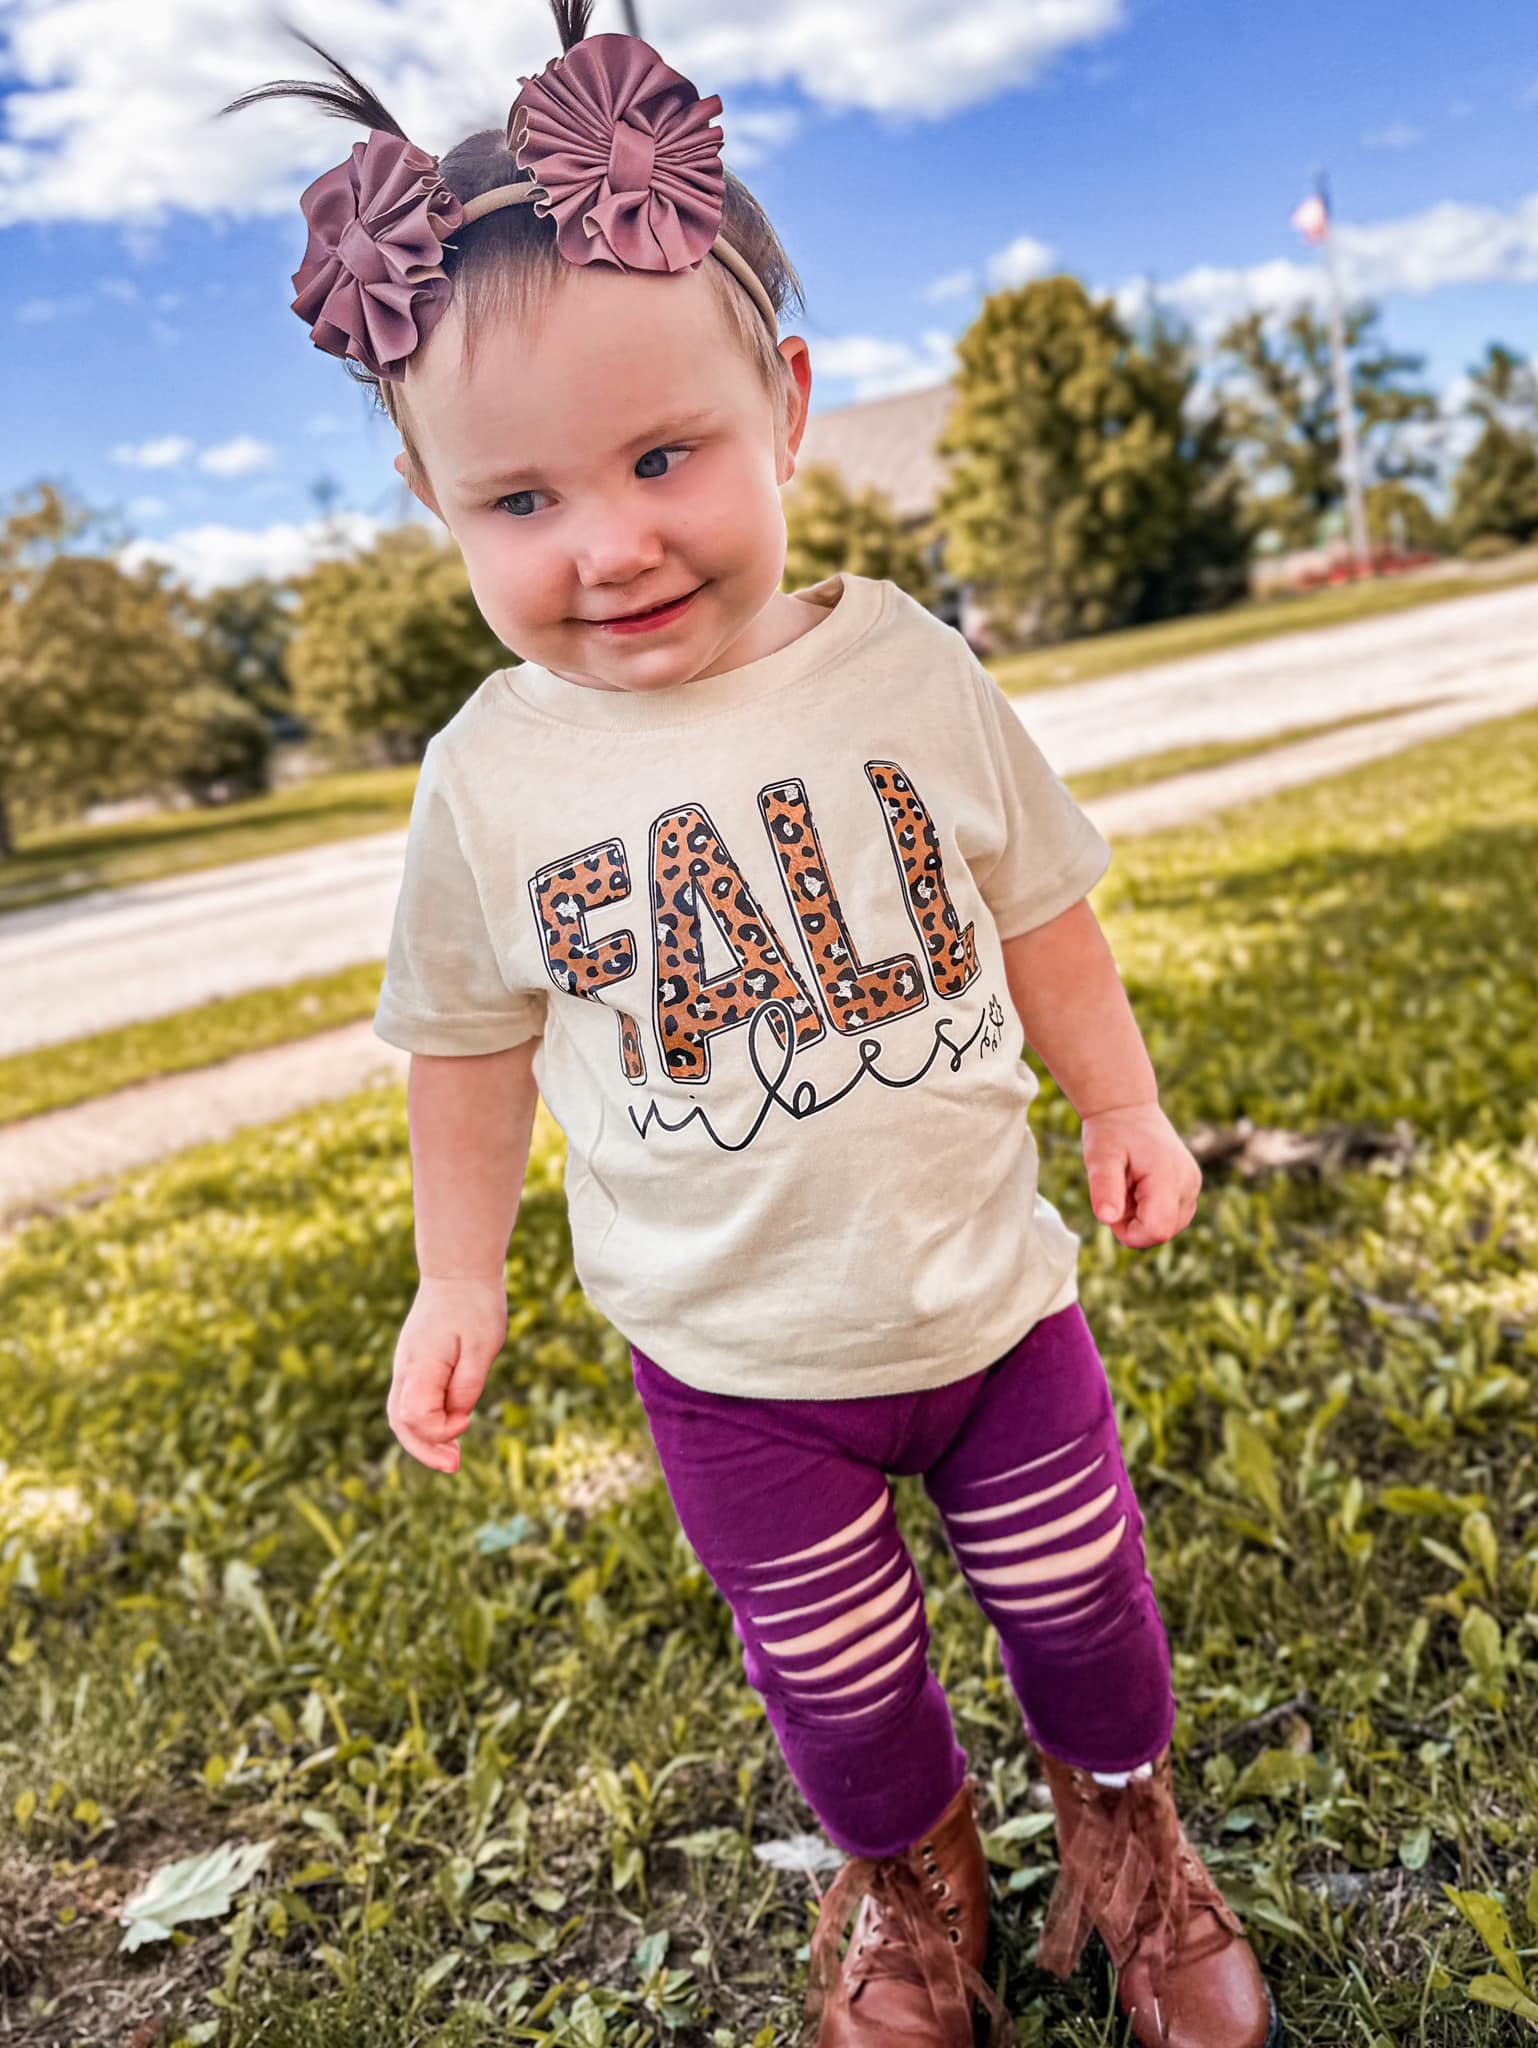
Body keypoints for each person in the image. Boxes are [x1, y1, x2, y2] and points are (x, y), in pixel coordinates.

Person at [222, 6, 1283, 2044]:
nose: (608, 542)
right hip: (731, 1363)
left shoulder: (904, 666)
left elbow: (1037, 902)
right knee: (836, 1678)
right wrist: (456, 1273)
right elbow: (464, 1043)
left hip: (988, 1306)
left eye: (661, 458)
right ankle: (912, 1885)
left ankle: (1124, 1833)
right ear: (435, 507)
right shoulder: (488, 778)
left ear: (782, 407)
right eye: (518, 500)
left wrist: (1123, 1100)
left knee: (1082, 1602)